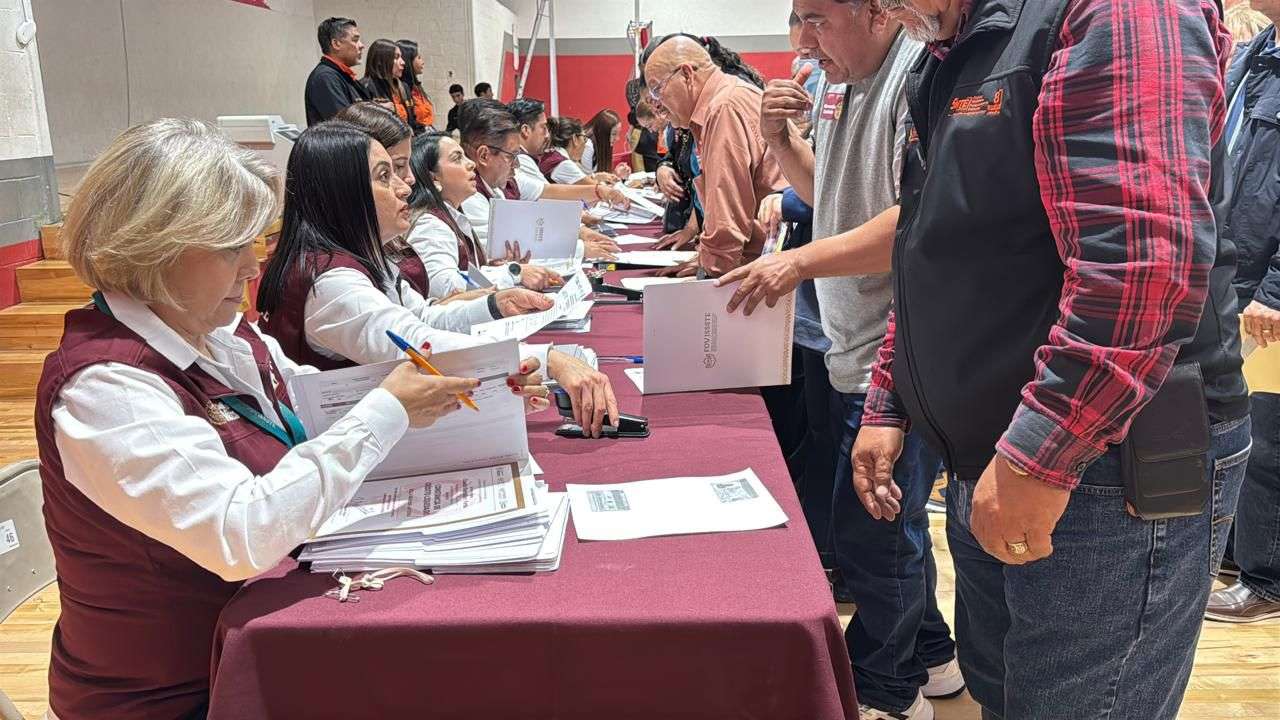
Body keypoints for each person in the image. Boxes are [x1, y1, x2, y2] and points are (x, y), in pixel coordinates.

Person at [36, 118, 541, 719]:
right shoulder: (106, 388)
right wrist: (389, 407)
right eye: (231, 247)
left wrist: (453, 390)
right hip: (179, 696)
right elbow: (240, 535)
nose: (252, 268)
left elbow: (321, 406)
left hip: (260, 647)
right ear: (156, 248)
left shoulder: (215, 332)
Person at [852, 2, 1249, 718]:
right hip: (1004, 450)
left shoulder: (1115, 11)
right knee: (1007, 693)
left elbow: (1141, 266)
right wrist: (891, 397)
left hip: (1100, 459)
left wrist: (1041, 455)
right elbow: (929, 248)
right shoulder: (959, 42)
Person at [719, 4, 957, 717]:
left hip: (896, 357)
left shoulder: (917, 74)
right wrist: (781, 139)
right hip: (850, 343)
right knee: (882, 528)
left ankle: (887, 692)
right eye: (796, 20)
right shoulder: (843, 79)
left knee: (874, 537)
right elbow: (833, 198)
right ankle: (932, 656)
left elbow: (917, 222)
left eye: (817, 19)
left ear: (879, 11)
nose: (802, 41)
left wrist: (798, 263)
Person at [257, 122, 620, 437]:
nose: (405, 186)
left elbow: (424, 316)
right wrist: (548, 358)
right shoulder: (332, 283)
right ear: (344, 193)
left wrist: (494, 304)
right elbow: (417, 342)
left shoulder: (365, 257)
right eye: (385, 176)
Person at [1206, 0, 1280, 624]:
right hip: (1235, 274)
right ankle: (1237, 554)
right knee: (1243, 424)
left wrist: (1278, 291)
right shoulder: (1259, 53)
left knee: (1270, 437)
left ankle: (1267, 578)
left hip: (1266, 291)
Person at [642, 34, 786, 277]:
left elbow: (727, 218)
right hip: (762, 262)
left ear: (686, 74)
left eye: (657, 90)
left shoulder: (723, 108)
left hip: (764, 268)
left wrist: (709, 269)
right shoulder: (723, 100)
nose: (657, 104)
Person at [404, 131, 563, 298]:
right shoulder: (429, 224)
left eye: (465, 157)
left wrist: (495, 269)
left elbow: (464, 276)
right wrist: (513, 273)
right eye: (457, 158)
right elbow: (446, 285)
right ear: (434, 177)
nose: (471, 164)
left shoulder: (451, 215)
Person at [456, 99, 621, 260]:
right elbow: (504, 246)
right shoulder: (470, 194)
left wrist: (578, 230)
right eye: (512, 156)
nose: (516, 165)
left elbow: (539, 204)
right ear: (483, 155)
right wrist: (579, 247)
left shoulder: (495, 182)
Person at [334, 102, 432, 296]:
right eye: (394, 169)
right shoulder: (340, 276)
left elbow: (412, 308)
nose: (410, 180)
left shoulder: (383, 237)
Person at [508, 97, 635, 207]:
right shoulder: (523, 159)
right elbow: (548, 194)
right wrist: (600, 190)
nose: (547, 135)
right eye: (543, 127)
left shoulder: (536, 157)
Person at [305, 17, 372, 126]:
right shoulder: (325, 77)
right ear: (336, 44)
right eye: (355, 40)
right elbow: (346, 123)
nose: (361, 45)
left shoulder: (343, 75)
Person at [361, 39, 411, 125]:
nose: (403, 62)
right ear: (381, 61)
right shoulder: (365, 86)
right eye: (396, 57)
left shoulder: (402, 86)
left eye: (401, 57)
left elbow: (411, 119)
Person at [539, 116, 594, 184]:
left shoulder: (551, 155)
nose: (585, 144)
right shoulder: (563, 164)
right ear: (574, 139)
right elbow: (596, 187)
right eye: (584, 138)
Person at [397, 39, 436, 132]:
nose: (423, 62)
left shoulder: (416, 87)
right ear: (408, 61)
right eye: (419, 57)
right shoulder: (401, 89)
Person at [582, 109, 631, 177]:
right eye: (614, 134)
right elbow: (587, 180)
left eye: (618, 133)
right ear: (602, 132)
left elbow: (598, 176)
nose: (617, 138)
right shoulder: (588, 146)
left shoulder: (601, 143)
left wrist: (615, 174)